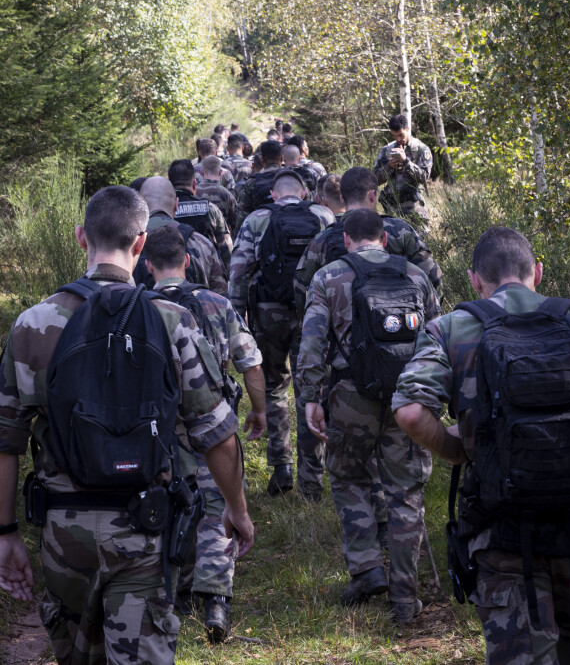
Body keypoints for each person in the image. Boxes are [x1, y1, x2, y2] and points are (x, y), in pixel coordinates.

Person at [0, 185, 253, 665]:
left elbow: (5, 439)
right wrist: (237, 511)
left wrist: (6, 532)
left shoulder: (33, 324)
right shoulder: (173, 320)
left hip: (62, 527)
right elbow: (216, 432)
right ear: (141, 244)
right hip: (145, 525)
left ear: (80, 238)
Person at [393, 226, 570, 663]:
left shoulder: (452, 329)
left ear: (476, 279)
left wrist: (460, 448)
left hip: (503, 529)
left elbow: (409, 410)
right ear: (537, 271)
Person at [299, 209, 440, 620]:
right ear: (385, 237)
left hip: (350, 397)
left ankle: (365, 569)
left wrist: (310, 395)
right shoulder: (415, 274)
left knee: (349, 478)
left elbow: (312, 341)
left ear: (346, 240)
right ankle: (404, 596)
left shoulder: (328, 276)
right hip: (407, 398)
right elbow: (434, 338)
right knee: (406, 492)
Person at [144, 225, 266, 642]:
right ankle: (215, 599)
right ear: (189, 261)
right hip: (210, 424)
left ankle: (172, 589)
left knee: (164, 504)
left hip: (155, 430)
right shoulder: (215, 303)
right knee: (216, 508)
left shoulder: (141, 306)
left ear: (147, 265)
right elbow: (250, 363)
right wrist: (260, 411)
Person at [229, 170, 334, 499]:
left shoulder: (257, 218)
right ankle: (312, 482)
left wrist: (235, 316)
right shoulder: (323, 215)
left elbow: (239, 270)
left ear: (274, 195)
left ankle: (281, 466)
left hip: (268, 311)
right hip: (313, 313)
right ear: (304, 193)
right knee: (310, 392)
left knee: (274, 387)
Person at [294, 167, 443, 320]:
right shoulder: (401, 230)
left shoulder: (322, 239)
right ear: (373, 195)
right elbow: (432, 275)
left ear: (343, 199)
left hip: (343, 335)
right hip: (398, 328)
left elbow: (301, 286)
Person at [137, 176, 228, 294]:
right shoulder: (202, 244)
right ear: (176, 204)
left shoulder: (129, 244)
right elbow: (220, 297)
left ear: (141, 205)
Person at [168, 158, 233, 271]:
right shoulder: (210, 209)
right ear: (194, 184)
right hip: (206, 273)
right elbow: (225, 248)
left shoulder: (165, 210)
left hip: (170, 273)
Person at [373, 114, 432, 222]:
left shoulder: (421, 149)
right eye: (394, 136)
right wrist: (389, 166)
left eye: (401, 135)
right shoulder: (387, 150)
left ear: (408, 129)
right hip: (392, 208)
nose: (398, 139)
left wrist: (406, 162)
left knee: (418, 237)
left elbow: (424, 177)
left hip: (414, 207)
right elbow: (374, 180)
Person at [234, 140, 283, 234]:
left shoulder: (251, 182)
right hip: (289, 234)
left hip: (260, 234)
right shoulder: (293, 178)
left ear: (262, 160)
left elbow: (242, 216)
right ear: (282, 158)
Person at [197, 156, 238, 233]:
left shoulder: (194, 192)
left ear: (202, 172)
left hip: (198, 241)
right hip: (221, 240)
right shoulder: (228, 195)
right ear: (220, 172)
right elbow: (235, 223)